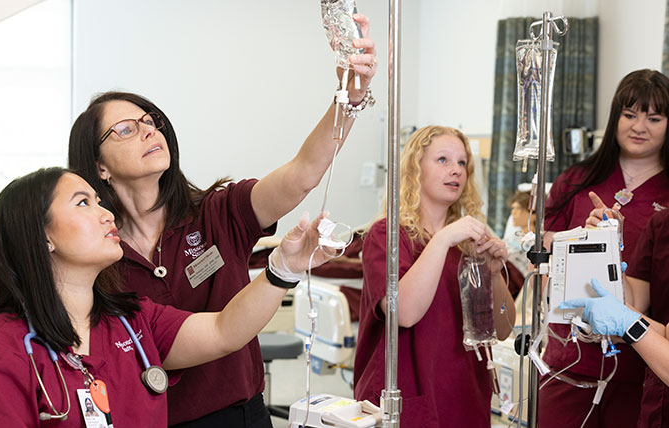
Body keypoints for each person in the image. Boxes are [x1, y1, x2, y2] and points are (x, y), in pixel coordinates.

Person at [67, 14, 377, 427]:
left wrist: (348, 97)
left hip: (239, 415)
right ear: (99, 166)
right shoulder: (97, 251)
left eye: (150, 121)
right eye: (125, 129)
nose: (147, 132)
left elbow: (303, 173)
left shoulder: (218, 211)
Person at [0, 168, 333, 427]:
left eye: (100, 203)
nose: (107, 216)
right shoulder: (0, 350)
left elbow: (223, 331)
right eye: (83, 203)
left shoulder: (131, 320)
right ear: (42, 237)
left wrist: (284, 268)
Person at [353, 126, 515, 426]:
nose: (456, 170)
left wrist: (493, 274)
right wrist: (442, 240)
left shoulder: (469, 244)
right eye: (443, 160)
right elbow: (404, 313)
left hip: (464, 397)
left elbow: (502, 330)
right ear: (415, 169)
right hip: (406, 399)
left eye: (462, 163)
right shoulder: (387, 236)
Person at [539, 69, 669, 427]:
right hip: (570, 359)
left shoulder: (666, 200)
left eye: (654, 118)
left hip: (641, 366)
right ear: (615, 118)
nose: (639, 126)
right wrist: (584, 240)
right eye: (629, 115)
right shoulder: (575, 183)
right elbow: (545, 253)